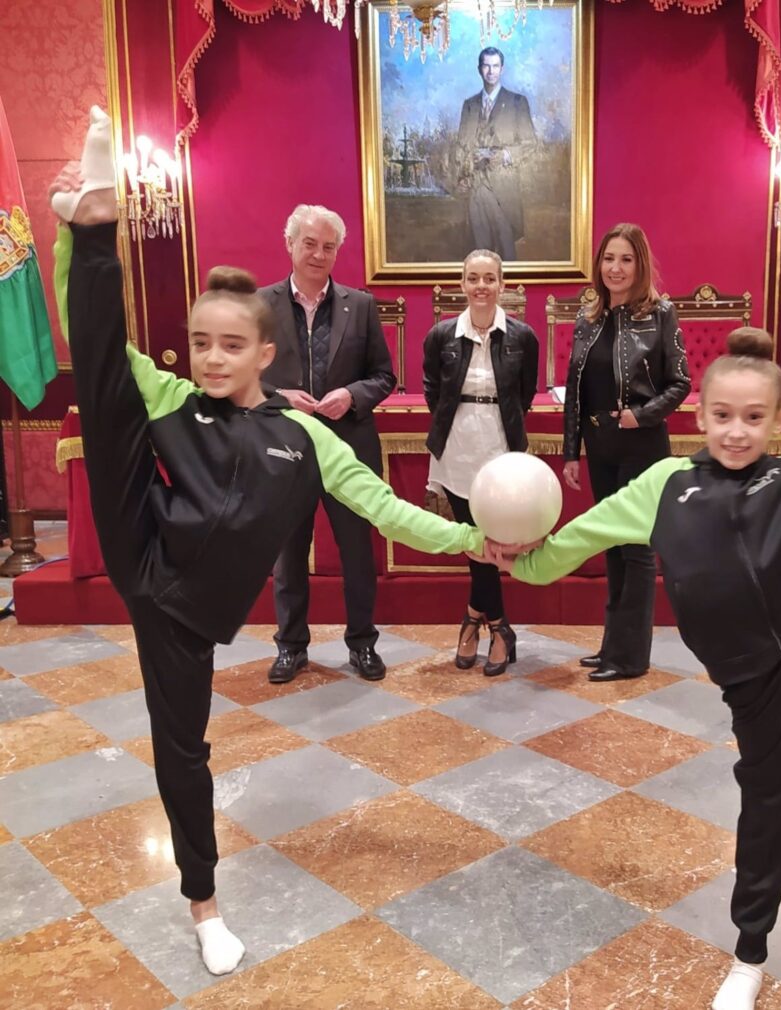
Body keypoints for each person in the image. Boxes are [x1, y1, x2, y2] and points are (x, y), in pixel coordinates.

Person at [48, 109, 486, 978]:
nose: (211, 358)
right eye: (202, 342)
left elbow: (389, 512)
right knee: (107, 382)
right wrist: (79, 247)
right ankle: (203, 905)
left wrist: (473, 537)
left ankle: (201, 895)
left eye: (229, 345)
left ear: (264, 351)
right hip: (145, 538)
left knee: (191, 745)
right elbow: (95, 342)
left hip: (188, 610)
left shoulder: (303, 437)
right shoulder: (176, 399)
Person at [477, 204, 781, 1010]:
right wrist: (513, 557)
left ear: (779, 422)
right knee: (759, 777)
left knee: (767, 789)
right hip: (738, 667)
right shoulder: (663, 485)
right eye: (722, 415)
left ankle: (749, 954)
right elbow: (564, 553)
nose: (738, 431)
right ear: (700, 415)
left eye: (756, 418)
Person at [260, 204, 396, 685]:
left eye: (329, 246)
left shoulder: (359, 305)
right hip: (286, 450)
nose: (319, 254)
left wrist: (351, 395)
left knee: (359, 554)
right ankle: (291, 647)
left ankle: (362, 644)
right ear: (290, 244)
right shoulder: (259, 305)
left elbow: (384, 376)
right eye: (310, 244)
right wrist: (278, 398)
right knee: (288, 555)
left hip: (348, 450)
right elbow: (238, 381)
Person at [561, 223, 690, 682]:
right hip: (600, 446)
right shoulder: (587, 317)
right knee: (611, 545)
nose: (615, 268)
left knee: (635, 550)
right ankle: (612, 646)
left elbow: (681, 383)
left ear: (640, 264)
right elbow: (574, 392)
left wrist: (644, 413)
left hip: (642, 445)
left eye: (626, 259)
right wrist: (570, 452)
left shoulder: (661, 314)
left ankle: (631, 656)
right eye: (609, 259)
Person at [423, 248, 539, 675]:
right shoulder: (441, 335)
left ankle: (479, 620)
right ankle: (497, 627)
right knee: (476, 544)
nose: (481, 286)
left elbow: (524, 395)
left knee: (489, 543)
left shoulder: (523, 336)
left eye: (489, 278)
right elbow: (434, 391)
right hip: (457, 449)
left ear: (502, 284)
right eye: (473, 278)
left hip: (500, 448)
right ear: (462, 284)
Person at [456, 46, 537, 260]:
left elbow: (530, 143)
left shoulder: (517, 102)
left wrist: (506, 155)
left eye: (495, 66)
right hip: (476, 188)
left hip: (503, 189)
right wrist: (464, 174)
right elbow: (461, 146)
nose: (491, 71)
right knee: (478, 253)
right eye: (486, 66)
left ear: (502, 69)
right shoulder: (469, 105)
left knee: (506, 252)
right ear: (479, 69)